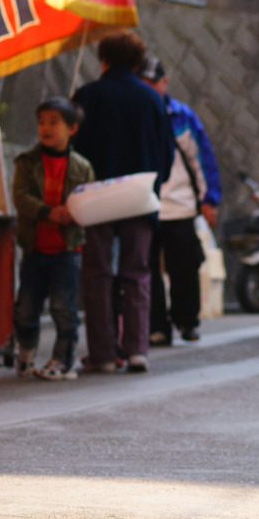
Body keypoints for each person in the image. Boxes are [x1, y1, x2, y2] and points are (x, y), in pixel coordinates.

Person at [72, 32, 173, 374]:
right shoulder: (152, 98)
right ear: (135, 62)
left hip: (96, 197)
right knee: (137, 273)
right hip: (139, 196)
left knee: (97, 274)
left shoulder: (87, 95)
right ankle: (136, 349)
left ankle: (102, 353)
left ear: (103, 59)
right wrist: (156, 185)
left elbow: (75, 151)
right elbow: (166, 153)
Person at [11, 97, 95, 381]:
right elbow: (21, 198)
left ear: (72, 129)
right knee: (26, 307)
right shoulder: (26, 162)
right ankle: (25, 352)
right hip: (34, 248)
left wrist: (74, 213)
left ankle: (62, 360)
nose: (45, 128)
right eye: (41, 122)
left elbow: (90, 199)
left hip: (67, 249)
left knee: (63, 307)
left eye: (53, 122)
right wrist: (48, 212)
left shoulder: (82, 166)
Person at [139, 56, 221, 346]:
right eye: (143, 84)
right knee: (147, 270)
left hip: (181, 205)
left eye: (152, 84)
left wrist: (208, 199)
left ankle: (187, 321)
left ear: (165, 83)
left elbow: (202, 160)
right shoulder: (135, 114)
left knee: (184, 268)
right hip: (145, 205)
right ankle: (157, 326)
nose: (148, 89)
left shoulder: (181, 116)